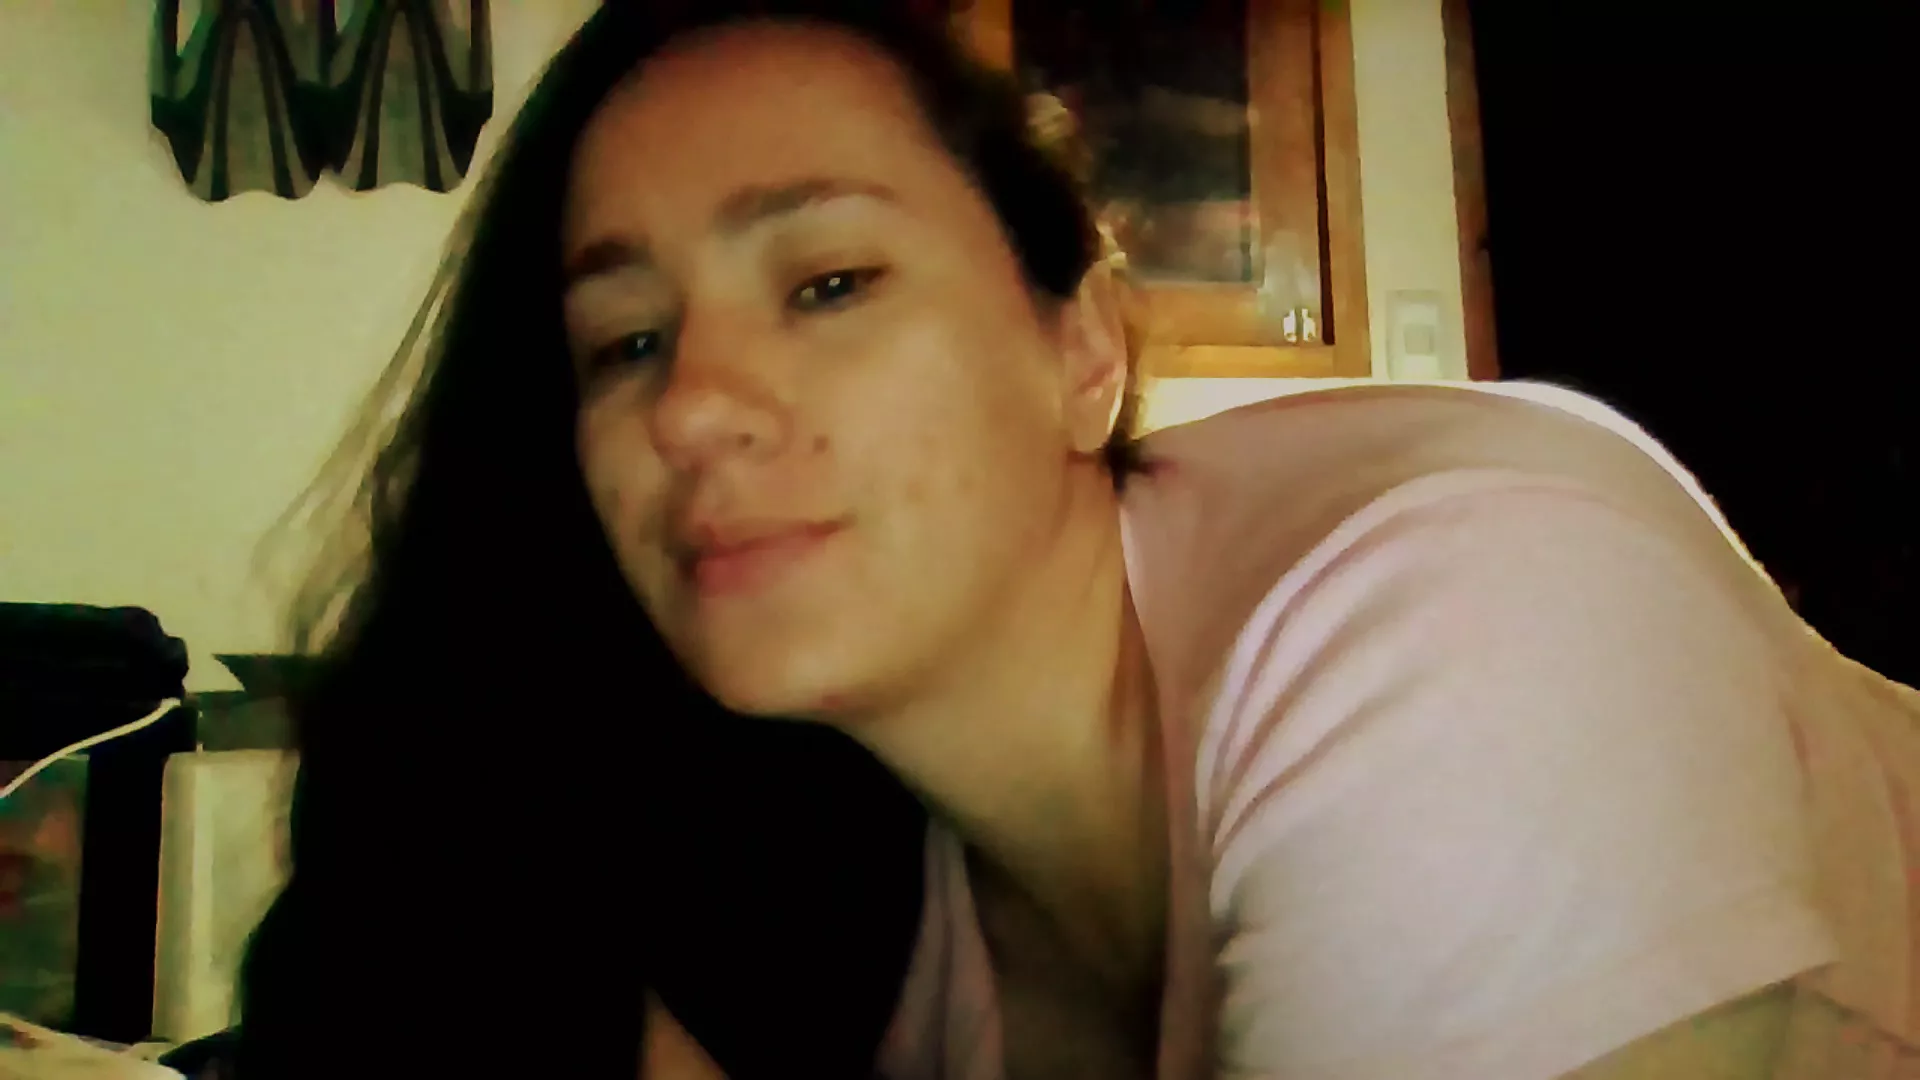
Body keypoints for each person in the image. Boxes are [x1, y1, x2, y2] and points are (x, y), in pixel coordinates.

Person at [235, 2, 1920, 1078]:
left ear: (1084, 352)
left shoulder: (1456, 614)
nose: (692, 409)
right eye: (625, 342)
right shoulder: (852, 935)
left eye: (829, 282)